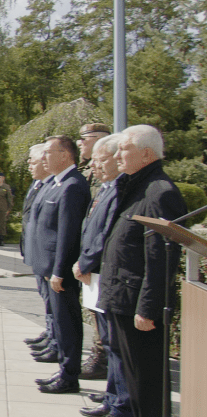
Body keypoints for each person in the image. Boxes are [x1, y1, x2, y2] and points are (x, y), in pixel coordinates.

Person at [98, 125, 185, 417]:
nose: (117, 154)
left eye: (124, 149)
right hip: (123, 299)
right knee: (132, 382)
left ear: (146, 154)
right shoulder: (136, 185)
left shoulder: (159, 192)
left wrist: (148, 308)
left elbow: (161, 258)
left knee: (145, 385)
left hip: (137, 305)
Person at [74, 134, 131, 417]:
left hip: (100, 272)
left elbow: (104, 234)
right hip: (95, 273)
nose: (95, 165)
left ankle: (120, 400)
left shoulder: (119, 189)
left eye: (101, 160)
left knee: (113, 341)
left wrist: (85, 262)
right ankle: (112, 395)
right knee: (108, 340)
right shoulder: (106, 187)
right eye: (94, 160)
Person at [28, 135, 91, 394]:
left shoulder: (73, 185)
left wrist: (58, 271)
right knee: (61, 322)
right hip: (48, 267)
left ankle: (69, 374)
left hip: (59, 270)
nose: (44, 157)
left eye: (49, 152)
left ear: (66, 155)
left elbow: (68, 233)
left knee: (67, 323)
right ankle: (65, 370)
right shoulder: (56, 184)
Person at [76, 122, 112, 382]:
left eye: (84, 138)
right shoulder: (85, 170)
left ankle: (101, 357)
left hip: (98, 255)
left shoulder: (108, 173)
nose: (80, 143)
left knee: (99, 310)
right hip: (87, 248)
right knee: (91, 307)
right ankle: (99, 353)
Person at [21, 144, 62, 365]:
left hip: (48, 257)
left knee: (53, 302)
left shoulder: (58, 186)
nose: (30, 164)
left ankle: (55, 341)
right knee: (46, 299)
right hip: (37, 252)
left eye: (33, 160)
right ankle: (50, 334)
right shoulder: (39, 185)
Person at [78, 123, 111, 194]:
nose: (79, 143)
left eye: (83, 139)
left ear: (99, 140)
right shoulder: (85, 166)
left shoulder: (108, 166)